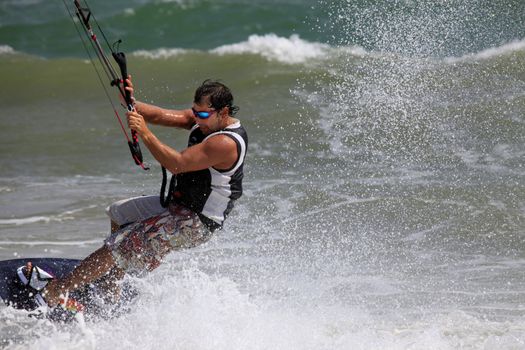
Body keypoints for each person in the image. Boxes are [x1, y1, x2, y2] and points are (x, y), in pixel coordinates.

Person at [40, 78, 248, 307]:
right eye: (195, 112)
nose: (197, 119)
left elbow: (177, 163)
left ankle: (58, 291)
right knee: (119, 213)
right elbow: (158, 115)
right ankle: (111, 286)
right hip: (179, 206)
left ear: (224, 111)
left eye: (203, 115)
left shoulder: (226, 143)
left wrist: (145, 133)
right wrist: (128, 99)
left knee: (117, 247)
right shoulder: (204, 119)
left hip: (196, 221)